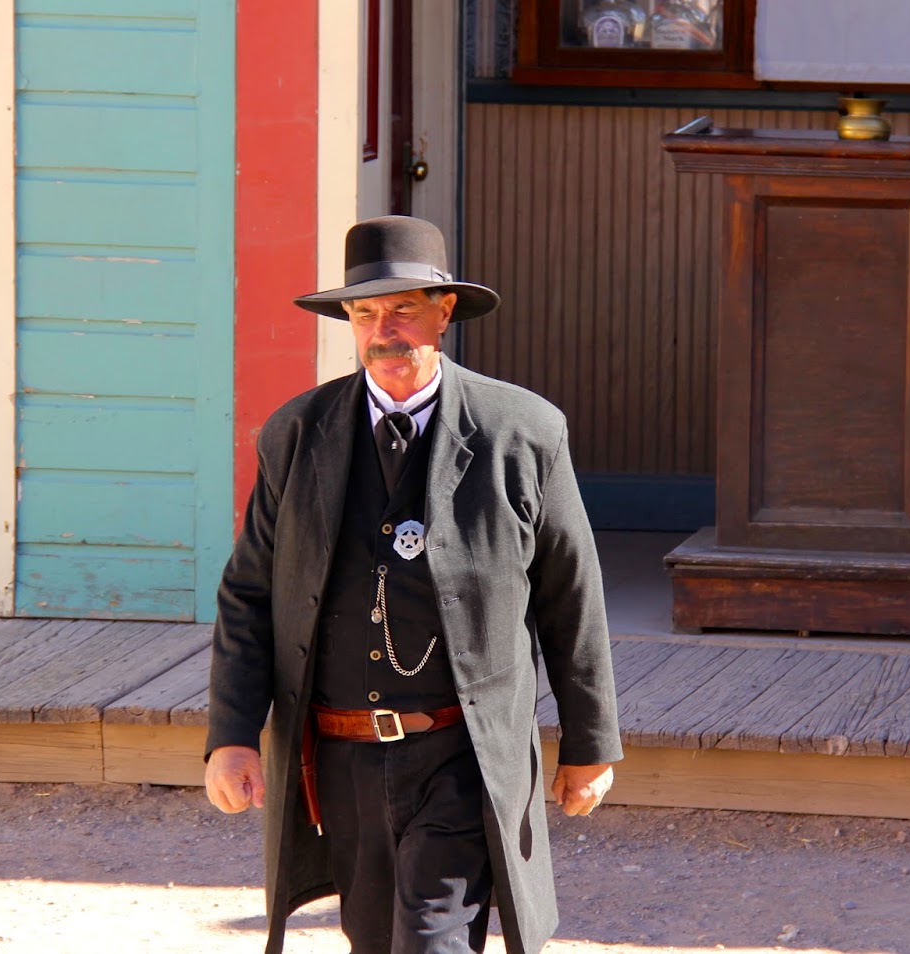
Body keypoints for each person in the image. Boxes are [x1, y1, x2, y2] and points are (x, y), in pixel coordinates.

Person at [204, 215, 622, 954]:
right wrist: (232, 735)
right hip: (341, 756)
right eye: (365, 313)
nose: (383, 331)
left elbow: (570, 595)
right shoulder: (296, 434)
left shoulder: (521, 432)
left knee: (434, 940)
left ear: (444, 310)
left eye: (402, 309)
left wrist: (591, 742)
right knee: (372, 941)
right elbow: (250, 596)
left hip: (460, 751)